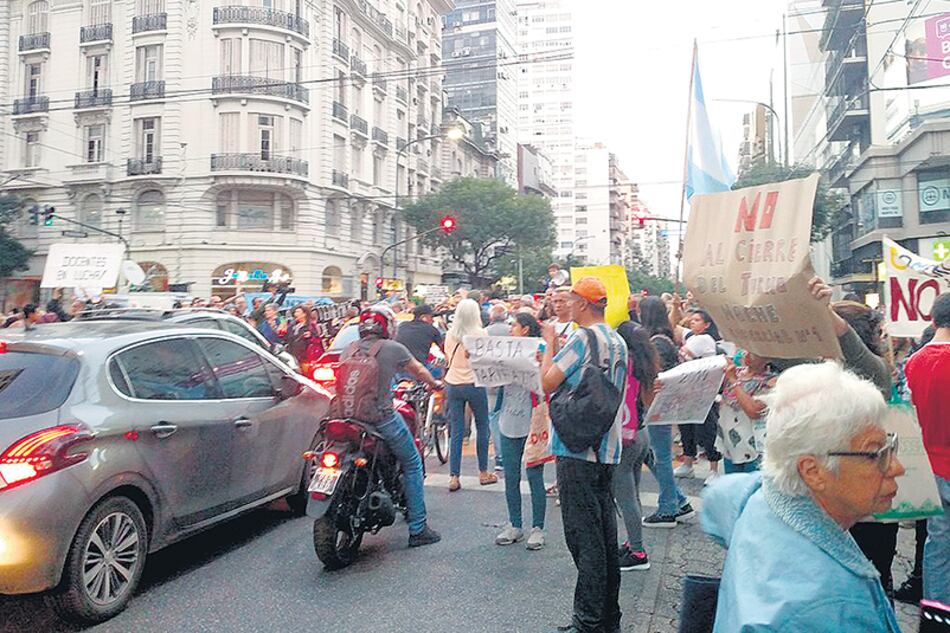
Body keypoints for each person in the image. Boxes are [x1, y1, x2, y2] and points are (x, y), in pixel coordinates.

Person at [701, 362, 904, 633]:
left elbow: (715, 499)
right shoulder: (827, 608)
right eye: (874, 453)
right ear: (812, 471)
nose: (896, 467)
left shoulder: (759, 495)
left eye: (890, 445)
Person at [540, 277, 628, 633]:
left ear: (584, 304)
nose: (568, 305)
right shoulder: (618, 340)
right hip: (606, 448)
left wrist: (549, 345)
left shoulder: (581, 339)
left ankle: (588, 622)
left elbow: (548, 380)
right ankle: (609, 618)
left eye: (571, 299)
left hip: (576, 451)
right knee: (605, 538)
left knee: (584, 540)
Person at [809, 278, 900, 596]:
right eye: (877, 332)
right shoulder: (820, 370)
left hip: (868, 508)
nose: (882, 337)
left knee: (870, 584)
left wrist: (826, 313)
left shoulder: (875, 373)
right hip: (834, 503)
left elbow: (854, 352)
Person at [345, 304, 443, 548]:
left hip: (346, 416)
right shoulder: (392, 348)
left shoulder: (349, 348)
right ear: (387, 326)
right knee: (412, 462)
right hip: (380, 417)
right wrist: (435, 384)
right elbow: (418, 370)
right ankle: (418, 528)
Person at [904, 291, 950, 604]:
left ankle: (937, 614)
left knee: (938, 545)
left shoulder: (913, 363)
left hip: (932, 467)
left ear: (932, 320)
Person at [638, 296, 695, 529]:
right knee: (652, 454)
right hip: (663, 405)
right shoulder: (665, 337)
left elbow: (656, 375)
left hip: (659, 405)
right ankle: (679, 501)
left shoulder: (657, 342)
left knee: (659, 456)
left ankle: (667, 509)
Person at [494, 312, 548, 551]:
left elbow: (549, 379)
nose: (509, 329)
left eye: (513, 325)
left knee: (535, 475)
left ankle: (538, 527)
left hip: (533, 420)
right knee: (511, 475)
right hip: (508, 418)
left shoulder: (542, 348)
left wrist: (542, 360)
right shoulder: (503, 349)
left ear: (525, 329)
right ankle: (515, 524)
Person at [613, 321, 659, 571]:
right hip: (641, 434)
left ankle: (638, 552)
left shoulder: (623, 364)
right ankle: (633, 542)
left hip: (624, 436)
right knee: (633, 494)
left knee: (626, 497)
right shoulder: (645, 364)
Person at [444, 298, 497, 491]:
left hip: (453, 382)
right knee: (483, 426)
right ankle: (483, 472)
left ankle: (454, 476)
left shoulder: (450, 335)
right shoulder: (480, 333)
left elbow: (448, 357)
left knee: (457, 430)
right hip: (474, 382)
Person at [674, 309, 723, 485]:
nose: (693, 322)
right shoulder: (694, 337)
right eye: (692, 319)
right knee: (687, 427)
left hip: (703, 391)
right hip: (689, 390)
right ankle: (688, 463)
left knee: (706, 429)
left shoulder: (703, 339)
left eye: (697, 320)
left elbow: (683, 353)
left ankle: (713, 469)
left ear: (707, 325)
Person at [718, 351, 776, 473]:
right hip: (730, 445)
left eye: (754, 353)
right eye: (746, 351)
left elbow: (753, 411)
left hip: (753, 447)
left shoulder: (771, 381)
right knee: (731, 484)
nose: (747, 355)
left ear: (767, 359)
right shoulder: (735, 372)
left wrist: (734, 381)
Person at [485, 303, 511, 470]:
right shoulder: (512, 330)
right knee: (508, 415)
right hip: (511, 379)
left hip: (491, 379)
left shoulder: (483, 333)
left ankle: (500, 456)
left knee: (493, 416)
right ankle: (510, 452)